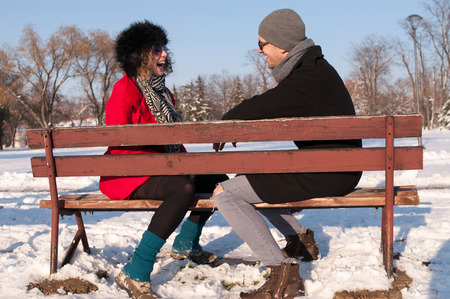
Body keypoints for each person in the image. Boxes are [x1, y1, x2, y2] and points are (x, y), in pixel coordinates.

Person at [212, 9, 362, 298]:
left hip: (332, 172)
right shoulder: (313, 69)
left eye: (262, 43)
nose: (259, 51)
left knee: (225, 193)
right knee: (248, 179)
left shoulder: (309, 76)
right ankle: (299, 240)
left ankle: (282, 275)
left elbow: (263, 106)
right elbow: (272, 108)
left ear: (282, 45)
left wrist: (225, 124)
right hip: (332, 166)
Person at [99, 20, 227, 298]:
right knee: (182, 188)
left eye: (164, 48)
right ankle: (137, 268)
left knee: (217, 179)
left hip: (163, 169)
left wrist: (186, 165)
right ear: (139, 55)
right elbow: (119, 144)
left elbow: (173, 142)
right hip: (127, 175)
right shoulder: (124, 90)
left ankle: (185, 243)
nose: (165, 54)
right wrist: (171, 167)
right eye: (157, 49)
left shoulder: (163, 92)